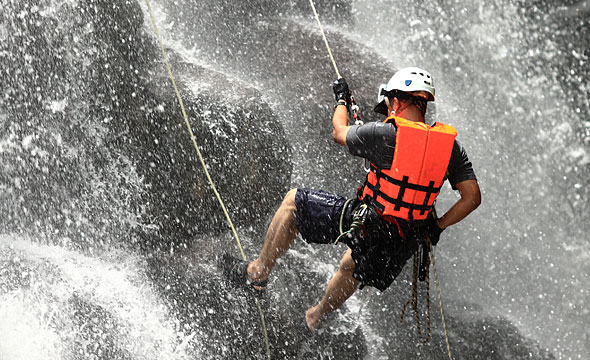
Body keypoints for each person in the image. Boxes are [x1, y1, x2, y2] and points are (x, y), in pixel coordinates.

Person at [220, 67, 481, 333]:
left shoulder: (385, 133)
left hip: (370, 220)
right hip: (403, 239)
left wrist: (342, 100)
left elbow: (339, 131)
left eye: (389, 103)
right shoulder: (450, 147)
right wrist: (437, 226)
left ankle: (257, 272)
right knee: (352, 265)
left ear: (398, 100)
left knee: (293, 201)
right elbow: (472, 197)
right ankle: (314, 318)